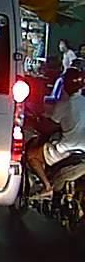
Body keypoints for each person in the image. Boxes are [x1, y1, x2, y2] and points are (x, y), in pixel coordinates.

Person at [26, 67, 85, 197]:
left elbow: (48, 128)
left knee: (32, 155)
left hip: (67, 150)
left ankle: (47, 187)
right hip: (83, 152)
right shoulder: (82, 102)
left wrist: (35, 122)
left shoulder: (65, 104)